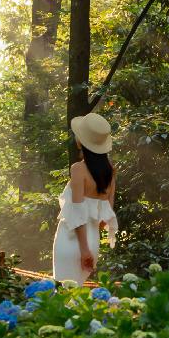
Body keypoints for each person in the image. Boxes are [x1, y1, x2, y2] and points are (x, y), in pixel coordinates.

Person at [51, 111, 117, 285]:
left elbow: (77, 212)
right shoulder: (110, 171)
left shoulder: (78, 169)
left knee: (63, 295)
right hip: (93, 240)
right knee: (75, 296)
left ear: (82, 141)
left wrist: (83, 249)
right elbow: (106, 213)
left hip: (72, 240)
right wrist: (90, 246)